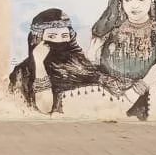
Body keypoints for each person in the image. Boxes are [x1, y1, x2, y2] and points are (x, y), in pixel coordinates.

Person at [8, 9, 144, 116]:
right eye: (51, 37)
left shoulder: (79, 63)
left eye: (64, 36)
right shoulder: (24, 72)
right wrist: (39, 63)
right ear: (38, 40)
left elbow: (104, 82)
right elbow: (45, 108)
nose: (60, 41)